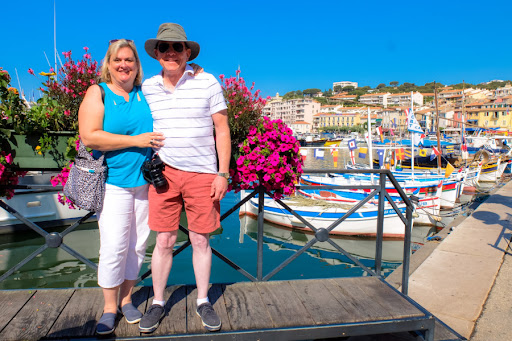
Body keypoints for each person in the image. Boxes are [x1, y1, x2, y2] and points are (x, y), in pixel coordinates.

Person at [138, 23, 231, 333]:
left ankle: (203, 300)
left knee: (200, 239)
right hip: (163, 173)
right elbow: (119, 90)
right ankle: (158, 302)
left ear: (187, 52)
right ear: (156, 54)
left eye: (177, 47)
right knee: (163, 241)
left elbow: (222, 129)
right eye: (164, 48)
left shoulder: (207, 82)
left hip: (203, 174)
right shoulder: (148, 86)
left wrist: (222, 173)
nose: (171, 53)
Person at [78, 39, 166, 335]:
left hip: (144, 184)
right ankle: (109, 307)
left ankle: (127, 299)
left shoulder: (144, 94)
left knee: (138, 245)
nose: (124, 65)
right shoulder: (98, 92)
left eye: (129, 60)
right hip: (113, 183)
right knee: (114, 247)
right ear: (109, 64)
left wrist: (193, 70)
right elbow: (90, 137)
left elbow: (172, 83)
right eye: (118, 60)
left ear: (137, 65)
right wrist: (136, 141)